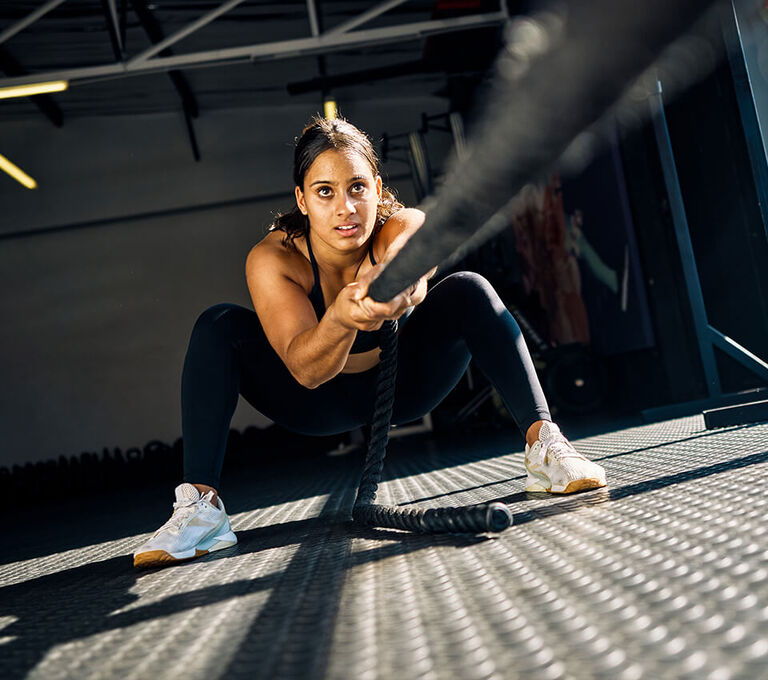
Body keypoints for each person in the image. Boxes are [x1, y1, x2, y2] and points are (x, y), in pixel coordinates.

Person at [133, 117, 607, 569]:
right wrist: (340, 317)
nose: (345, 207)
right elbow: (306, 371)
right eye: (325, 191)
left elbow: (413, 256)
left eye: (357, 187)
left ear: (378, 189)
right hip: (316, 402)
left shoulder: (398, 224)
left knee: (470, 288)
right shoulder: (275, 258)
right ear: (302, 200)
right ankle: (203, 510)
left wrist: (396, 283)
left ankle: (545, 446)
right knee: (217, 325)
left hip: (405, 386)